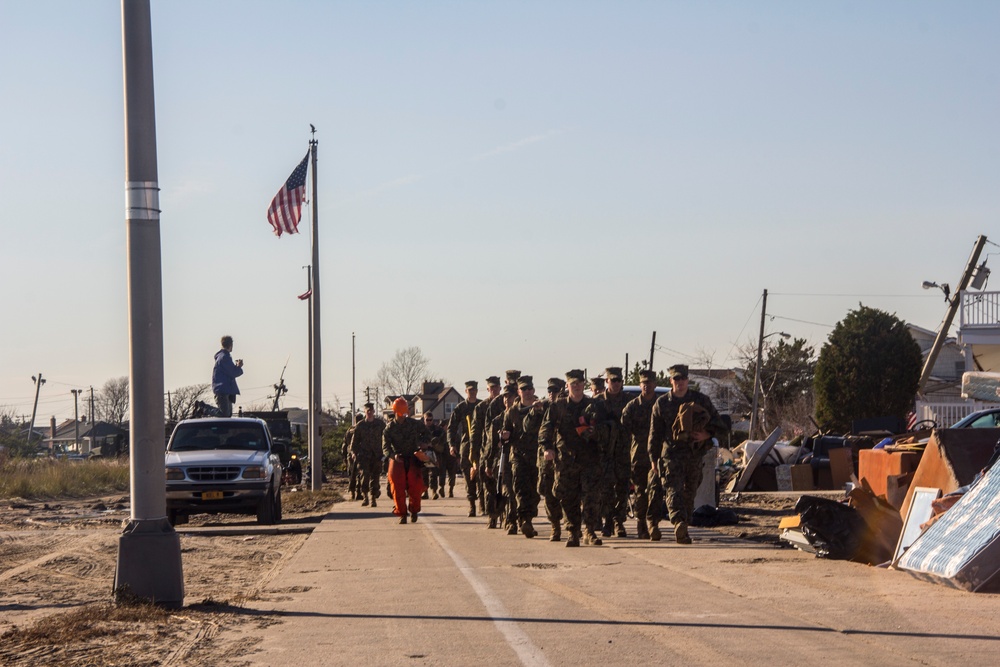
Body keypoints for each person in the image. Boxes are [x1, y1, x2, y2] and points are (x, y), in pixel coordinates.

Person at [648, 364, 728, 544]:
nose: (680, 382)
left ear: (687, 380)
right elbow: (655, 434)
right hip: (671, 456)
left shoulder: (701, 401)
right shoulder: (662, 404)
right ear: (671, 381)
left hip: (694, 455)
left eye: (683, 379)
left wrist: (706, 434)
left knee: (689, 493)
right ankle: (678, 523)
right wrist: (653, 459)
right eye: (676, 379)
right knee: (672, 490)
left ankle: (683, 523)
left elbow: (722, 427)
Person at [539, 369, 606, 547]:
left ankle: (590, 531)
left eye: (579, 383)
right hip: (566, 461)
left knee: (591, 498)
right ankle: (572, 532)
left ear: (584, 384)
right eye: (572, 383)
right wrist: (547, 448)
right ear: (567, 386)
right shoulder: (557, 407)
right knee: (569, 498)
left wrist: (596, 432)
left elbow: (610, 427)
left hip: (590, 460)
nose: (576, 386)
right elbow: (546, 428)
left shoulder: (595, 405)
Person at [621, 369, 660, 539]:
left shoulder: (661, 404)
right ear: (640, 385)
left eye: (649, 383)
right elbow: (623, 431)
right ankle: (641, 523)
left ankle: (653, 523)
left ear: (655, 384)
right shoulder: (632, 407)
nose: (647, 386)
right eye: (644, 383)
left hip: (658, 456)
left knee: (656, 491)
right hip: (638, 456)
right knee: (641, 492)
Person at [502, 375, 542, 538]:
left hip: (537, 456)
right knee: (519, 489)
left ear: (533, 390)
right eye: (523, 389)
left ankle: (529, 518)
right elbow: (505, 434)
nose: (527, 391)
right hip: (518, 455)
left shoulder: (541, 408)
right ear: (519, 391)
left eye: (529, 389)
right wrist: (504, 436)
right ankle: (524, 520)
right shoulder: (512, 412)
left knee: (535, 491)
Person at [382, 397, 432, 524]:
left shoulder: (414, 424)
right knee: (397, 487)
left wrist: (424, 443)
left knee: (416, 487)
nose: (403, 417)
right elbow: (385, 447)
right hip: (397, 460)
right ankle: (402, 513)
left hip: (413, 458)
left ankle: (414, 511)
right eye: (400, 414)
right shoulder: (389, 428)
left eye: (404, 414)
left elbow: (427, 433)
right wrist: (393, 456)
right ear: (395, 412)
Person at [527, 377, 565, 541]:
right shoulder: (542, 407)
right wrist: (533, 412)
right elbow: (527, 428)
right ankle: (555, 526)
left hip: (566, 457)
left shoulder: (568, 407)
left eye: (555, 390)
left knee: (567, 491)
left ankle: (572, 525)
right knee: (548, 492)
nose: (551, 394)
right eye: (549, 390)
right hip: (546, 458)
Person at [600, 367, 631, 538]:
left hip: (623, 452)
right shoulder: (598, 402)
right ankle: (607, 521)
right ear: (607, 381)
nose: (616, 384)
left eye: (619, 380)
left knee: (622, 489)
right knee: (606, 489)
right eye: (613, 380)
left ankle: (619, 521)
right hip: (604, 453)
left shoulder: (629, 401)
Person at [448, 381, 481, 517]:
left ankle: (484, 503)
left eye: (474, 390)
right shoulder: (460, 408)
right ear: (466, 391)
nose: (472, 392)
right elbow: (451, 428)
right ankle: (472, 505)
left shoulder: (482, 406)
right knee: (468, 477)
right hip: (466, 445)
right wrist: (451, 444)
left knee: (482, 475)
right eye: (469, 390)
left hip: (481, 444)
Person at [352, 403, 386, 507]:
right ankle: (365, 496)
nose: (370, 413)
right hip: (364, 455)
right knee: (364, 476)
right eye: (368, 411)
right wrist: (354, 453)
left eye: (371, 411)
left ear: (374, 411)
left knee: (375, 477)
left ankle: (373, 498)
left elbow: (387, 437)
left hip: (377, 455)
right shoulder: (360, 425)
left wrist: (386, 453)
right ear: (365, 412)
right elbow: (355, 441)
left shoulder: (380, 424)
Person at [211, 335, 243, 417]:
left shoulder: (221, 357)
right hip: (223, 390)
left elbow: (229, 371)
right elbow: (233, 373)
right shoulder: (225, 357)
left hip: (223, 390)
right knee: (224, 415)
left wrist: (235, 367)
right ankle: (203, 408)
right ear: (230, 345)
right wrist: (239, 366)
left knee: (228, 415)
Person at [421, 413, 447, 499]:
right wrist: (422, 445)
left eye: (430, 420)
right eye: (427, 420)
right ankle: (425, 492)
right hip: (424, 453)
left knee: (434, 474)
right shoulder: (420, 430)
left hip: (434, 454)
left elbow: (443, 438)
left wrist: (435, 444)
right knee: (424, 474)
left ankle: (434, 491)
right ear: (424, 420)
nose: (429, 421)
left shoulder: (438, 430)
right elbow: (415, 439)